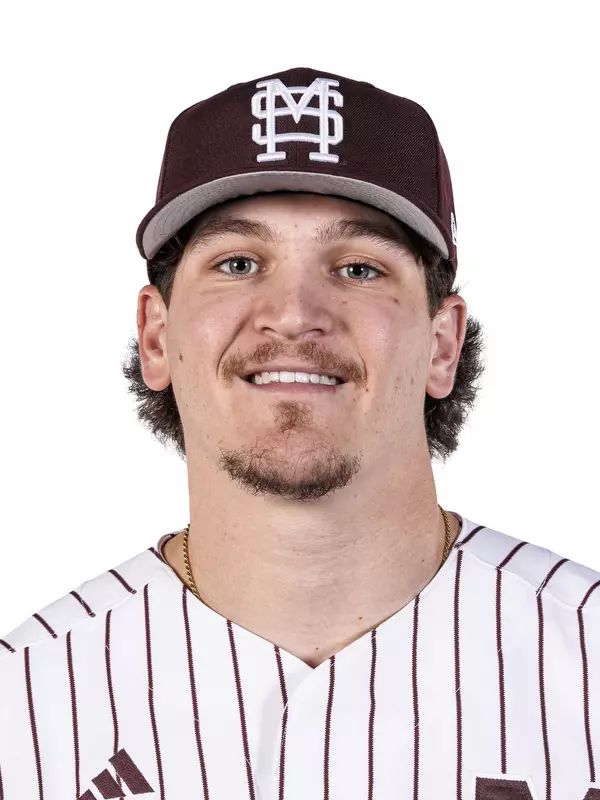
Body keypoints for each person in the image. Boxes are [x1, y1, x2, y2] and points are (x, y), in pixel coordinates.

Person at [0, 67, 598, 800]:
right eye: (238, 263)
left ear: (443, 344)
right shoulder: (21, 707)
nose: (292, 313)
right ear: (156, 335)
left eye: (357, 267)